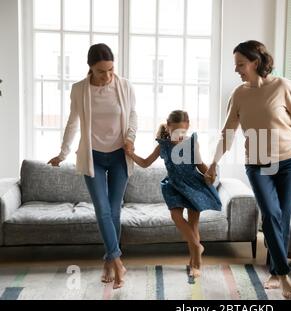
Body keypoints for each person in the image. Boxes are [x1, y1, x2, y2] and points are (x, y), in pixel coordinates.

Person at [205, 40, 291, 299]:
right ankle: (284, 274)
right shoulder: (239, 94)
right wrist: (214, 162)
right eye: (236, 66)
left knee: (283, 215)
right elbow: (228, 133)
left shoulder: (282, 86)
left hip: (289, 161)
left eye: (241, 64)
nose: (237, 70)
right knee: (270, 213)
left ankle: (275, 271)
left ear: (255, 62)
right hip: (257, 164)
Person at [48, 43, 137, 289]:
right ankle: (118, 262)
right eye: (101, 71)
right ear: (90, 68)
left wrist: (130, 137)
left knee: (114, 210)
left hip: (119, 156)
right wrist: (63, 153)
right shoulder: (79, 90)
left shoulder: (124, 86)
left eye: (110, 70)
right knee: (102, 209)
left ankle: (109, 261)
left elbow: (133, 115)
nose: (107, 76)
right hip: (93, 157)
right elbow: (72, 123)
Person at [126, 110, 221, 278]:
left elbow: (200, 165)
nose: (179, 135)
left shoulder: (192, 144)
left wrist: (210, 175)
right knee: (176, 217)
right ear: (168, 127)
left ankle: (195, 264)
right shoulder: (163, 145)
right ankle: (197, 246)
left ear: (188, 128)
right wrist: (131, 154)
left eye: (183, 132)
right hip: (174, 186)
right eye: (176, 131)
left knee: (193, 226)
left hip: (193, 185)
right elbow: (146, 163)